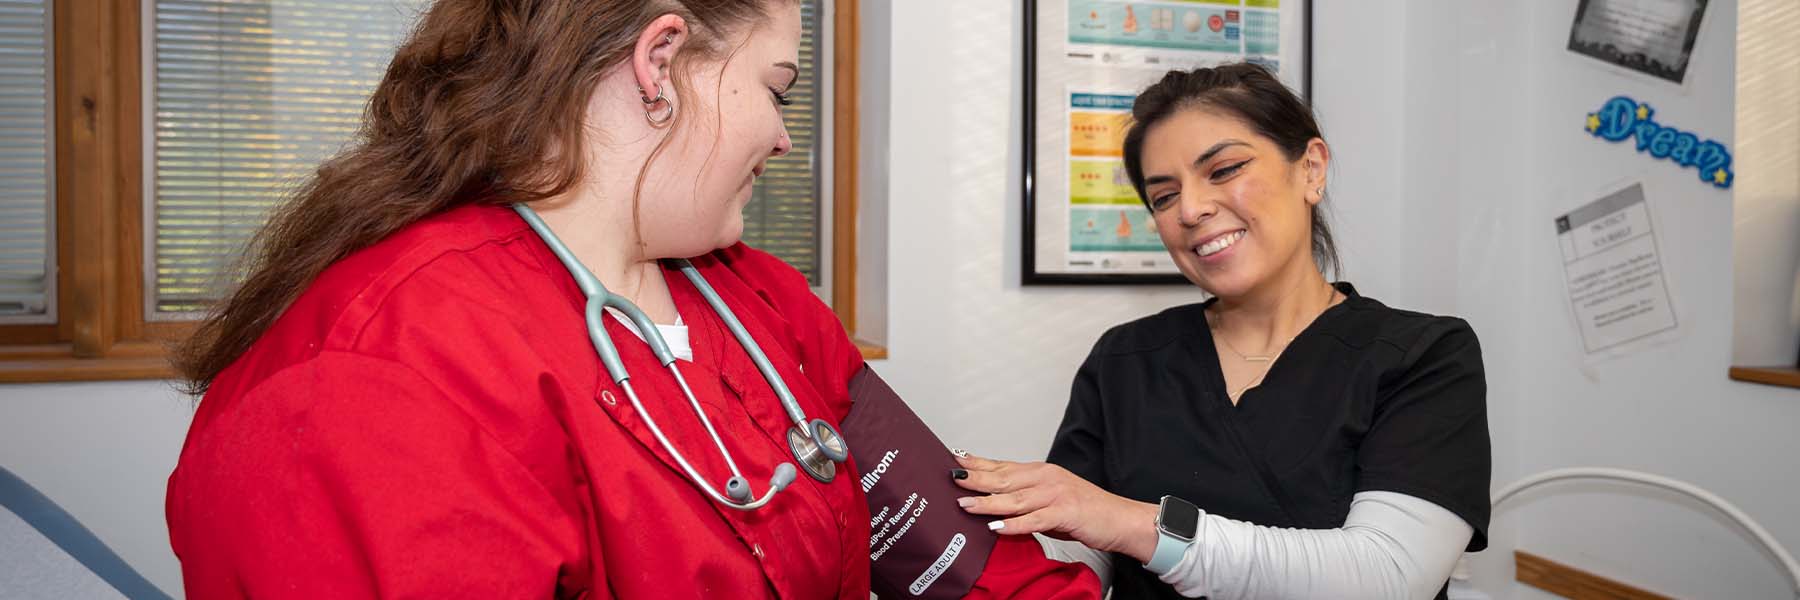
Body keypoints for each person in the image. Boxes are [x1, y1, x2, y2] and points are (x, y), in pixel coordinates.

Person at [163, 1, 1097, 598]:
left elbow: (957, 565)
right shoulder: (375, 372)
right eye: (776, 89)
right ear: (661, 60)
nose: (783, 138)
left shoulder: (759, 300)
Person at [950, 63, 1492, 600]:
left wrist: (1127, 522)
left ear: (1311, 168)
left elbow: (1388, 576)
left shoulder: (1422, 356)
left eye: (1225, 169)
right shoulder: (1126, 358)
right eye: (1164, 197)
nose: (1190, 209)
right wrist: (948, 538)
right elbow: (1079, 553)